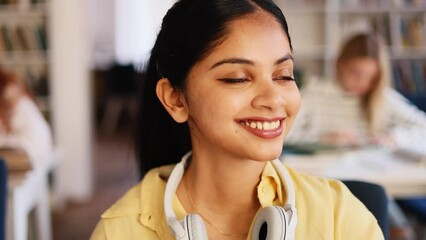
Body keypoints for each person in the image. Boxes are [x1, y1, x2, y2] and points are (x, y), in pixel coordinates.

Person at [90, 1, 383, 239]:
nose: (274, 98)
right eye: (238, 78)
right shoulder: (119, 231)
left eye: (283, 75)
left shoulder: (340, 216)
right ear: (176, 99)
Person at [286, 33, 426, 240]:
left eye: (372, 77)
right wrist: (322, 139)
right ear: (338, 64)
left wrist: (394, 137)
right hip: (328, 178)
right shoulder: (315, 95)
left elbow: (421, 124)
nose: (363, 83)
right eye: (355, 73)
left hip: (376, 174)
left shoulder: (382, 97)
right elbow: (285, 132)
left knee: (380, 206)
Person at [0, 68, 52, 166]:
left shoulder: (22, 105)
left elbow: (11, 137)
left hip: (34, 151)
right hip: (37, 150)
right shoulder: (21, 105)